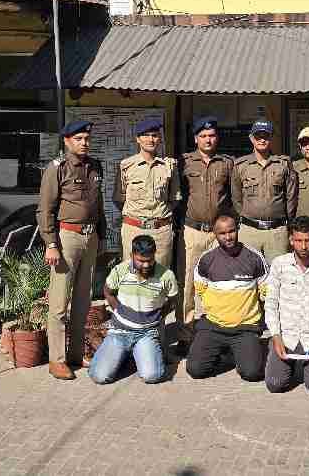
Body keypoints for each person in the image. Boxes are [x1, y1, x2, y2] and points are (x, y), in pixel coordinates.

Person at [37, 119, 107, 380]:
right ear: (67, 141)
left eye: (87, 138)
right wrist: (51, 244)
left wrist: (101, 236)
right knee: (59, 303)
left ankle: (76, 354)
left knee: (82, 301)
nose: (84, 143)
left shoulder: (95, 166)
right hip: (66, 238)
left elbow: (98, 204)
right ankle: (56, 360)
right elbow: (45, 210)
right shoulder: (57, 168)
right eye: (78, 139)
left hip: (90, 237)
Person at [185, 211, 269, 381]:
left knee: (251, 373)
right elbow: (200, 290)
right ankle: (223, 351)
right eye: (222, 233)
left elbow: (266, 291)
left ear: (238, 229)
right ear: (215, 234)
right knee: (196, 370)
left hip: (245, 327)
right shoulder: (206, 259)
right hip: (214, 326)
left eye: (231, 231)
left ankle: (248, 350)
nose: (228, 237)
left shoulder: (254, 257)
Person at [88, 235, 178, 385]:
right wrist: (118, 310)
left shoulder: (166, 276)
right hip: (120, 331)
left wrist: (159, 316)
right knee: (99, 376)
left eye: (149, 260)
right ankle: (125, 354)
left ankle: (138, 353)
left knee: (152, 376)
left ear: (154, 255)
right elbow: (108, 291)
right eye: (140, 261)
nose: (146, 265)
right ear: (131, 256)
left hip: (147, 333)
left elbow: (173, 299)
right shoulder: (120, 270)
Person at [264, 215, 309, 397]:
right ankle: (277, 356)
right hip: (286, 337)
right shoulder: (279, 265)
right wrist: (276, 336)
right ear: (291, 240)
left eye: (308, 240)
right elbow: (271, 304)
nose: (304, 246)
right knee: (275, 384)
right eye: (298, 241)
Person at [176, 116, 234, 345]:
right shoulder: (184, 162)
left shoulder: (226, 163)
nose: (208, 140)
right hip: (193, 231)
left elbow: (233, 196)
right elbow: (177, 195)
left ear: (217, 138)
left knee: (219, 283)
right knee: (188, 283)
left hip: (218, 233)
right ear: (195, 139)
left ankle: (217, 333)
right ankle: (185, 334)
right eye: (203, 136)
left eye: (211, 135)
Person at [113, 117, 181, 269]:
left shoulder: (169, 166)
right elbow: (119, 199)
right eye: (146, 135)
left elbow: (174, 199)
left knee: (160, 274)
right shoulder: (126, 166)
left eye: (155, 135)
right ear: (138, 139)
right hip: (134, 229)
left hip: (160, 231)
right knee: (132, 274)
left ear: (160, 139)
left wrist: (159, 217)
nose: (151, 139)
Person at [231, 119, 299, 262]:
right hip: (249, 230)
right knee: (248, 270)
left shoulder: (283, 164)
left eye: (266, 136)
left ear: (272, 138)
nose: (262, 140)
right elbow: (236, 198)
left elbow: (291, 197)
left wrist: (287, 224)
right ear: (251, 138)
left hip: (276, 231)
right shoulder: (240, 165)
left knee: (277, 272)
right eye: (258, 136)